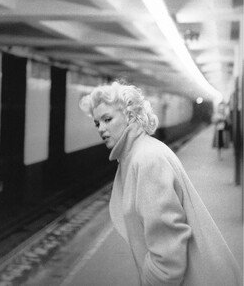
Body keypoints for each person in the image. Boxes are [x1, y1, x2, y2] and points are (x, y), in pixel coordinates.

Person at [79, 80, 241, 286]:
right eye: (97, 123)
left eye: (107, 119)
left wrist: (153, 279)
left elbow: (168, 254)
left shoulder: (146, 160)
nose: (101, 128)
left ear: (129, 115)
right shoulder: (138, 154)